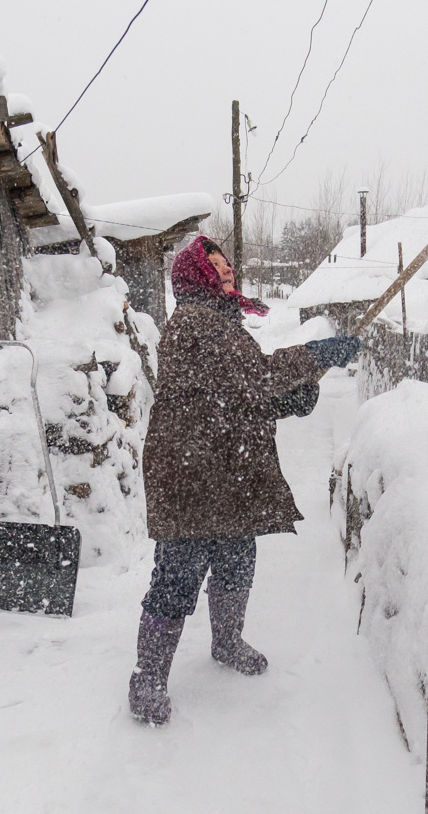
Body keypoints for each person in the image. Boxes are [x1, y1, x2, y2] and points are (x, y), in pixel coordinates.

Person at [129, 235, 361, 725]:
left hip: (225, 470)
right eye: (216, 267)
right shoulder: (195, 322)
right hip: (191, 474)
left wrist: (281, 402)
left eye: (228, 265)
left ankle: (227, 641)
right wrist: (316, 355)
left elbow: (232, 392)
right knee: (177, 576)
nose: (227, 272)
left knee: (237, 560)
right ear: (197, 277)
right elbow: (254, 376)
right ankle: (147, 678)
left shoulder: (220, 321)